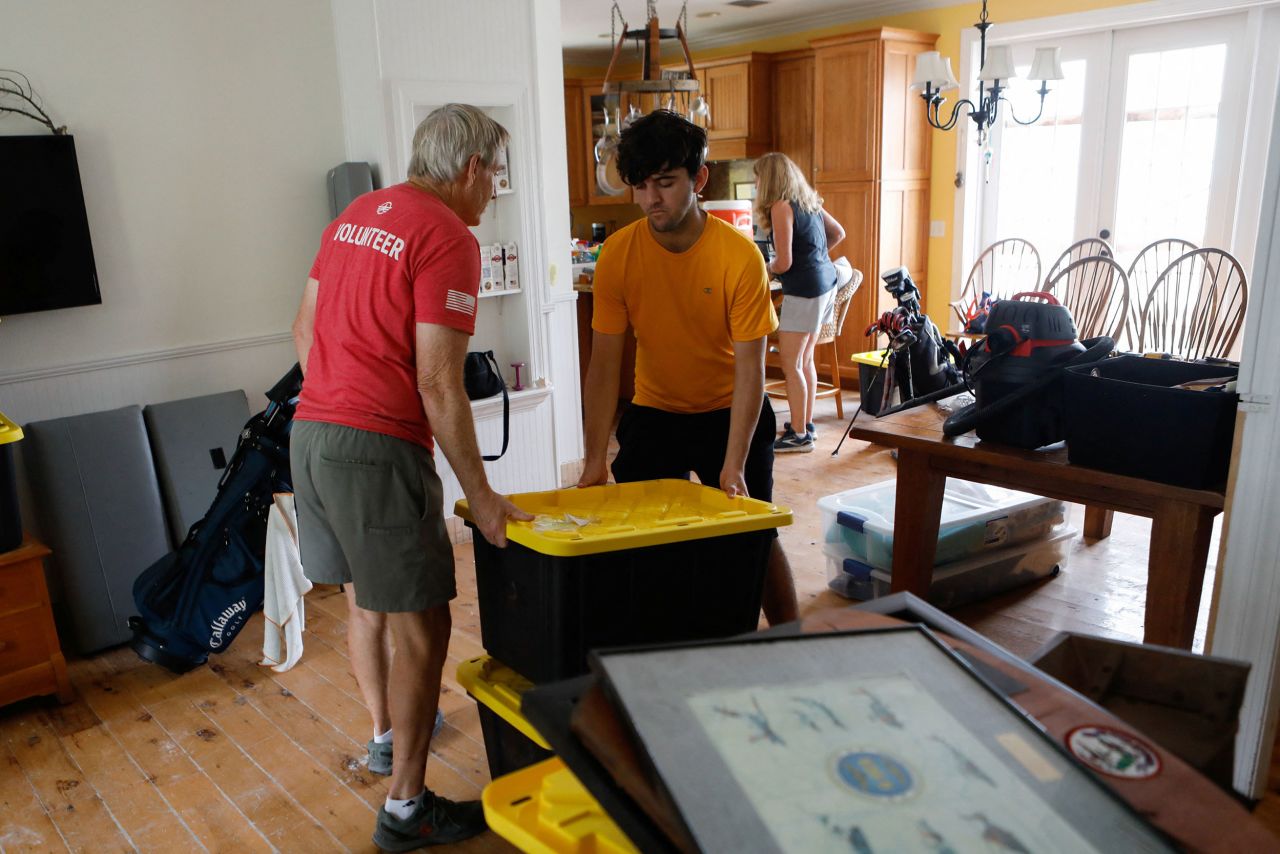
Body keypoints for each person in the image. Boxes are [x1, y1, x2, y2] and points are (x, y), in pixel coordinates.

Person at [290, 103, 531, 851]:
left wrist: (338, 401)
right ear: (469, 169)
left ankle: (387, 739)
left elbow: (303, 332)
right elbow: (438, 381)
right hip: (373, 449)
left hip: (311, 434)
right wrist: (482, 497)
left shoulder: (355, 215)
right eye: (494, 172)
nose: (493, 188)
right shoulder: (447, 236)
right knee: (424, 625)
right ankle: (406, 810)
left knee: (366, 601)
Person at [578, 110, 799, 626]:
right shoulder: (618, 255)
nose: (651, 199)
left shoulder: (738, 257)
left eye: (665, 183)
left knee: (753, 537)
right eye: (640, 185)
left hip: (731, 412)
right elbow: (604, 365)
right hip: (655, 414)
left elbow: (751, 371)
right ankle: (667, 649)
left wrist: (734, 462)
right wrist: (594, 458)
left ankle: (795, 638)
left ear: (699, 180)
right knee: (648, 545)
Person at [753, 152, 846, 453]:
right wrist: (816, 258)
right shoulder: (810, 203)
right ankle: (805, 425)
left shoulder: (781, 206)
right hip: (825, 283)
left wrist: (763, 268)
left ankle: (799, 435)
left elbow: (784, 262)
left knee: (791, 363)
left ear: (769, 180)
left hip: (805, 289)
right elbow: (838, 233)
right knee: (804, 360)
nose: (756, 185)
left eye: (757, 179)